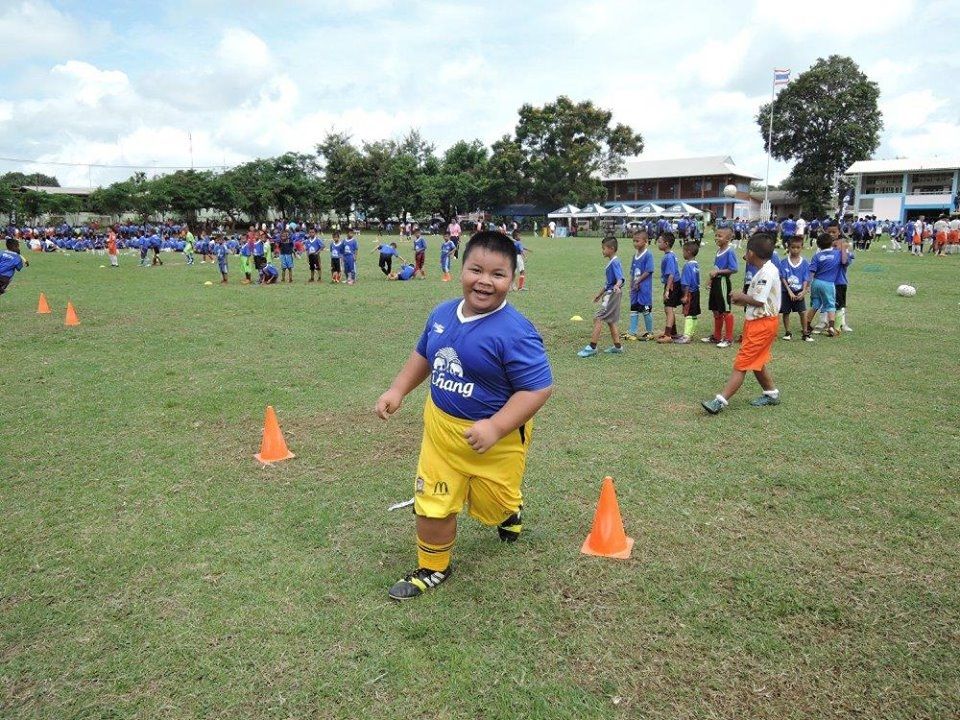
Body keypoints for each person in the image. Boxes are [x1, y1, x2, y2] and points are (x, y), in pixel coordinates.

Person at [375, 231, 553, 600]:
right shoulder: (442, 314)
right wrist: (397, 390)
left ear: (512, 278)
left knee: (492, 505)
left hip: (496, 441)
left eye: (498, 274)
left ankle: (509, 509)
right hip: (440, 432)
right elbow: (424, 355)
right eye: (476, 269)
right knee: (432, 501)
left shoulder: (516, 332)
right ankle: (433, 567)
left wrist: (496, 426)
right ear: (462, 269)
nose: (485, 281)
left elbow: (537, 388)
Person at [701, 233, 782, 415]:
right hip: (757, 322)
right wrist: (743, 300)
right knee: (755, 360)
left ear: (751, 253)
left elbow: (759, 300)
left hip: (763, 324)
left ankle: (720, 401)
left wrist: (741, 297)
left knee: (742, 363)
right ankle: (771, 393)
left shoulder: (767, 273)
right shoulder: (763, 271)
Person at [577, 236, 625, 357]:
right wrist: (599, 294)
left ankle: (592, 347)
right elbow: (608, 283)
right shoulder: (612, 262)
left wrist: (617, 286)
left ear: (611, 249)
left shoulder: (615, 262)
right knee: (611, 320)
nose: (602, 251)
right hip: (609, 293)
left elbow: (620, 278)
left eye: (604, 248)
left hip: (612, 294)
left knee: (598, 318)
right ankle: (617, 346)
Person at [804, 230, 849, 338]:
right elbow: (844, 262)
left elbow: (811, 272)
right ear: (831, 243)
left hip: (816, 282)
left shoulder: (817, 256)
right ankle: (831, 327)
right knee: (830, 305)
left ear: (818, 245)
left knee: (815, 304)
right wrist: (842, 247)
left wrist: (807, 285)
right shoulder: (837, 254)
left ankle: (807, 325)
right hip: (828, 284)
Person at [703, 225, 738, 349]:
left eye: (720, 236)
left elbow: (734, 269)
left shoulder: (730, 251)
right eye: (716, 235)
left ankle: (728, 338)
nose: (716, 237)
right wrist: (710, 281)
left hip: (723, 282)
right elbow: (715, 269)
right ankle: (716, 336)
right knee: (715, 309)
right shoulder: (718, 251)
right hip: (716, 283)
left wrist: (718, 273)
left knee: (725, 309)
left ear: (728, 239)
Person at [625, 229, 655, 341]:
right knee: (634, 309)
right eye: (633, 241)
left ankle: (650, 332)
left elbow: (649, 270)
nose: (635, 243)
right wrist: (631, 284)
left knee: (645, 309)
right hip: (635, 289)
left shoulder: (648, 255)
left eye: (637, 241)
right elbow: (632, 272)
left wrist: (639, 281)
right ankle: (632, 332)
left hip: (644, 288)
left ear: (645, 241)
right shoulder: (635, 256)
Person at [779, 237, 810, 341]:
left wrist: (803, 291)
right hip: (786, 291)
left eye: (798, 247)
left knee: (802, 312)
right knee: (786, 312)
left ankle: (805, 333)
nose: (795, 250)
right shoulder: (783, 262)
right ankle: (788, 333)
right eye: (793, 247)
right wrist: (789, 291)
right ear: (788, 248)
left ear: (802, 248)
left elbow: (806, 278)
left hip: (799, 292)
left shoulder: (805, 263)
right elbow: (782, 277)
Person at [674, 241, 701, 344]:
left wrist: (685, 295)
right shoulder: (696, 264)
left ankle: (686, 336)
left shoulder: (687, 266)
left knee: (688, 314)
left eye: (683, 251)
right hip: (696, 292)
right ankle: (690, 333)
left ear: (688, 252)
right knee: (693, 314)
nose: (683, 253)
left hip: (689, 292)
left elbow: (686, 282)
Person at [656, 232, 681, 341]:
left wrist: (667, 290)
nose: (658, 243)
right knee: (668, 308)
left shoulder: (669, 257)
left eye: (660, 241)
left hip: (672, 284)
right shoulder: (670, 255)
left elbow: (671, 274)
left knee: (668, 308)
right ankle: (672, 332)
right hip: (671, 283)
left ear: (666, 244)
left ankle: (667, 335)